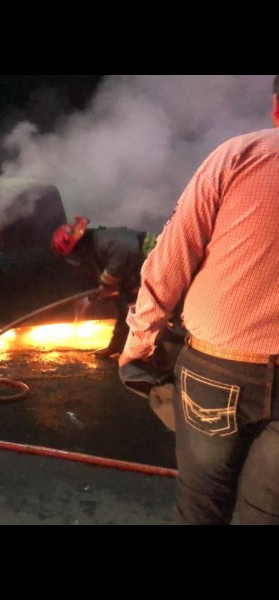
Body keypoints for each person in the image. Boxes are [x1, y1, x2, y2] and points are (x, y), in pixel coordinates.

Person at [119, 75, 279, 525]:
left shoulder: (240, 155)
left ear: (275, 109)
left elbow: (171, 258)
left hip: (218, 371)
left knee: (200, 510)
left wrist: (138, 346)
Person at [51, 216, 157, 358]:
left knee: (147, 310)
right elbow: (109, 281)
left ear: (79, 247)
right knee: (126, 308)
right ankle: (119, 346)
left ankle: (158, 353)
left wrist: (105, 282)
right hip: (139, 266)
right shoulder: (96, 248)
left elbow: (125, 253)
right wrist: (90, 298)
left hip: (152, 257)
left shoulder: (103, 241)